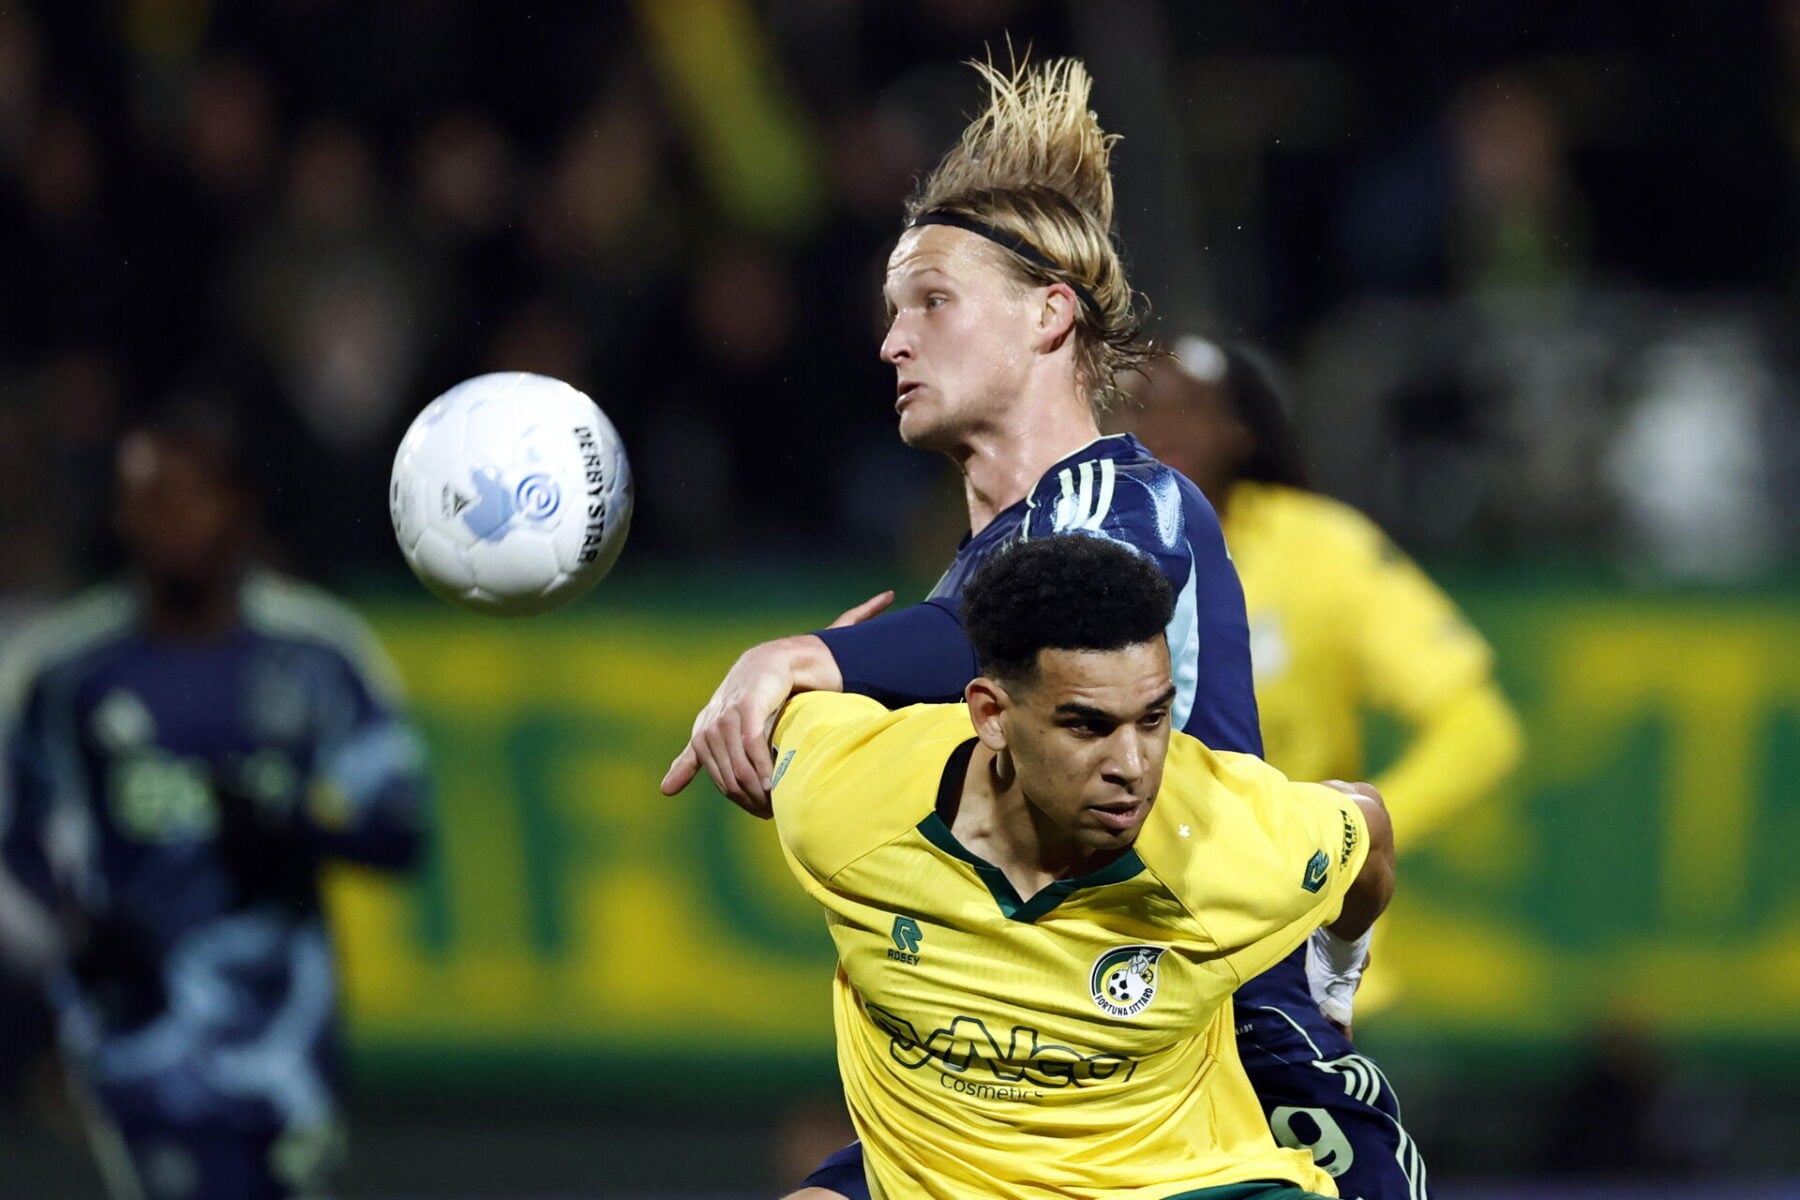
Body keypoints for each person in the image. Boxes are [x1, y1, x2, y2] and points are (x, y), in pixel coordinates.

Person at [661, 55, 1425, 1199]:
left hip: (1208, 1070)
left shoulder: (1134, 499)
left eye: (931, 302)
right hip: (1007, 1062)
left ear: (1049, 313)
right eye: (887, 314)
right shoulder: (957, 594)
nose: (892, 344)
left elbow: (1026, 609)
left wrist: (810, 658)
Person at [768, 534, 1396, 1199]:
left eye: (1153, 718)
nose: (1132, 766)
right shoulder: (846, 803)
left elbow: (1371, 831)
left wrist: (1336, 972)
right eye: (1088, 726)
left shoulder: (1227, 840)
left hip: (1183, 1184)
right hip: (940, 1177)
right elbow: (796, 705)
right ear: (990, 715)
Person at [0, 416, 428, 1200]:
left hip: (285, 1030)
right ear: (120, 516)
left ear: (241, 508)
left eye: (191, 497)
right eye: (147, 499)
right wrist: (75, 929)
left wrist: (298, 832)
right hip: (139, 1030)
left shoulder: (317, 654)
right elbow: (16, 832)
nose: (170, 520)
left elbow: (402, 832)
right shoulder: (67, 672)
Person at [1120, 339, 1524, 1018]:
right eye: (1135, 407)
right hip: (1126, 948)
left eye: (1190, 408)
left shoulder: (1321, 551)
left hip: (1297, 950)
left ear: (1241, 431)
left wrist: (1349, 835)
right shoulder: (1073, 545)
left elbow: (1480, 731)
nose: (1163, 428)